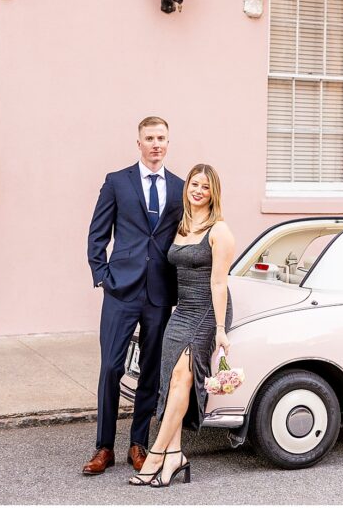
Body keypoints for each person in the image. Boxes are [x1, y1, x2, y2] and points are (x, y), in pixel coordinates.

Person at [84, 117, 183, 476]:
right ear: (138, 142)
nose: (156, 144)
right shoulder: (117, 182)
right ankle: (104, 447)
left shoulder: (178, 187)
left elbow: (183, 237)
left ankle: (138, 444)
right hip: (121, 291)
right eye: (149, 138)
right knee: (111, 367)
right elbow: (97, 234)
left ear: (168, 143)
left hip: (159, 293)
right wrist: (103, 277)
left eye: (161, 138)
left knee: (151, 373)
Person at [129, 164, 235, 487]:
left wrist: (219, 330)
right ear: (186, 187)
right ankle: (175, 455)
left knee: (182, 378)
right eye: (193, 184)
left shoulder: (220, 231)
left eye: (205, 186)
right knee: (172, 380)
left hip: (207, 310)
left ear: (213, 193)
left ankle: (157, 454)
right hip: (182, 309)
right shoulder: (182, 224)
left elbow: (219, 284)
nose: (198, 190)